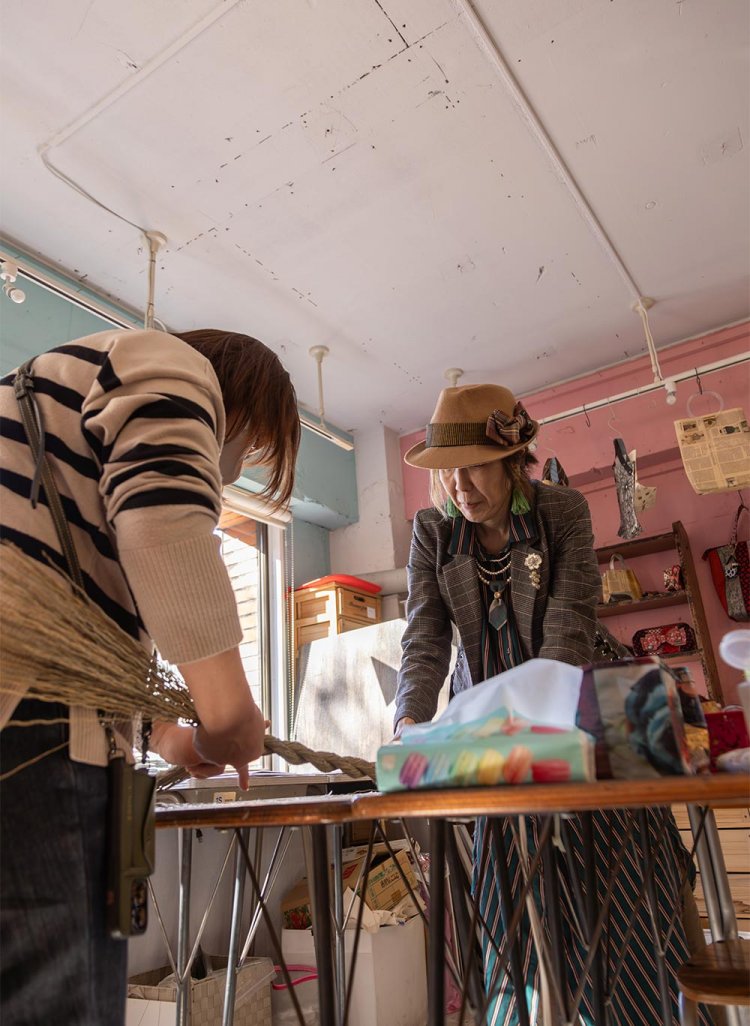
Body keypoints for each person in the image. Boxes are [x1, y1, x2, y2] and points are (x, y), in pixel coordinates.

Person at [0, 327, 300, 1025]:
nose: (229, 472)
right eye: (249, 448)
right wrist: (229, 716)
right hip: (30, 742)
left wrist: (171, 737)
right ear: (238, 404)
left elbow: (97, 604)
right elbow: (164, 531)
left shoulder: (46, 404)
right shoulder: (168, 367)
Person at [394, 383, 705, 1025]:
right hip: (489, 725)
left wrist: (539, 733)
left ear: (514, 460)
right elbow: (425, 637)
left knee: (621, 895)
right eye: (447, 470)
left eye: (476, 464)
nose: (459, 484)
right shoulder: (433, 534)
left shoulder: (561, 512)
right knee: (512, 911)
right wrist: (410, 727)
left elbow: (566, 628)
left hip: (574, 716)